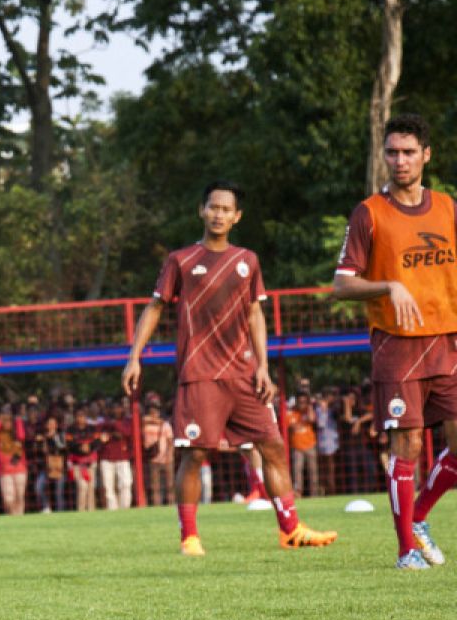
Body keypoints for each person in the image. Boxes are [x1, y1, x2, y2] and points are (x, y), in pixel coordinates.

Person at [123, 180, 337, 555]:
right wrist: (134, 357)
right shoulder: (181, 260)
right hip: (200, 375)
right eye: (213, 207)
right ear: (201, 211)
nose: (218, 214)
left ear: (237, 217)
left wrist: (264, 366)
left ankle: (291, 529)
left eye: (226, 209)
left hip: (244, 374)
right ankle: (189, 536)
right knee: (196, 453)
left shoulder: (247, 261)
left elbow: (255, 313)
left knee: (272, 447)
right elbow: (155, 307)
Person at [333, 113, 457, 569]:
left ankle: (419, 517)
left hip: (447, 342)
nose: (399, 160)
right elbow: (342, 284)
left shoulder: (448, 208)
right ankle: (406, 550)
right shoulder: (370, 213)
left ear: (427, 155)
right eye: (392, 152)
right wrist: (387, 286)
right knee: (406, 447)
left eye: (408, 152)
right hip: (397, 346)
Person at [0, 407, 27, 515]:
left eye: (9, 420)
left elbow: (21, 435)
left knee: (19, 495)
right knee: (8, 498)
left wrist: (18, 421)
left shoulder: (16, 433)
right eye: (5, 421)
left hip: (19, 468)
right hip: (5, 470)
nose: (7, 423)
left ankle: (20, 516)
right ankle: (12, 515)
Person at [97, 399, 134, 510]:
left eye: (118, 408)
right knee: (108, 487)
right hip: (107, 457)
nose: (116, 410)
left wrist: (115, 426)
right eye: (114, 408)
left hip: (123, 457)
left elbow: (127, 433)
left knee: (126, 483)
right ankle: (112, 509)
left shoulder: (127, 421)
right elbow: (99, 435)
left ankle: (125, 507)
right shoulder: (104, 422)